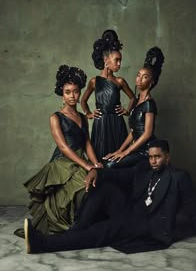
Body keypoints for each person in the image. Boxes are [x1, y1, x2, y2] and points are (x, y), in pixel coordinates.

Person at [23, 139, 196, 254]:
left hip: (147, 225)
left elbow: (192, 206)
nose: (153, 161)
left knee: (101, 231)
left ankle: (44, 244)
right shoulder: (144, 169)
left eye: (158, 157)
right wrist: (97, 171)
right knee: (103, 187)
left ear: (168, 158)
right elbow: (118, 174)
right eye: (151, 157)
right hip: (131, 212)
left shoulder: (179, 177)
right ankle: (78, 228)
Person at [14, 65, 102, 237]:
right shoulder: (56, 117)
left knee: (92, 186)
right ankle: (60, 227)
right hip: (63, 161)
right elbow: (63, 147)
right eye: (68, 92)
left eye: (75, 92)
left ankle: (77, 225)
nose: (72, 96)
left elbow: (87, 143)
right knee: (74, 189)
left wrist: (96, 163)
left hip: (80, 158)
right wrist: (87, 165)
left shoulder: (83, 117)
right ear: (62, 94)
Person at [103, 46, 164, 168]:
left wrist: (127, 151)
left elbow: (147, 133)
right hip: (135, 147)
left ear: (151, 82)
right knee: (107, 162)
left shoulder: (149, 104)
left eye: (145, 77)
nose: (139, 79)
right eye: (138, 75)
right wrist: (120, 150)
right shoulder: (136, 101)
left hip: (146, 150)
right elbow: (133, 131)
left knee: (110, 165)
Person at [81, 30, 135, 161]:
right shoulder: (94, 81)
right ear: (106, 60)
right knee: (100, 158)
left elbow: (133, 98)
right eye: (116, 60)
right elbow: (83, 101)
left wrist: (127, 111)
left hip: (117, 123)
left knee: (118, 159)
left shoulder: (119, 81)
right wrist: (88, 114)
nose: (119, 64)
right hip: (100, 124)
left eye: (120, 61)